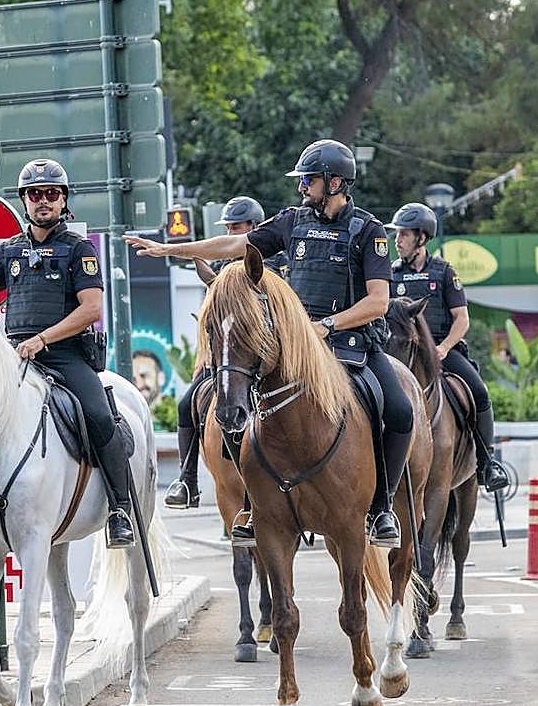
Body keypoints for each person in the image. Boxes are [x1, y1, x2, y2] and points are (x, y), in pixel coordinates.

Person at [128, 140, 409, 548]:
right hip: (293, 347)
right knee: (233, 401)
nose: (302, 187)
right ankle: (251, 503)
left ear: (334, 183)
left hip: (350, 344)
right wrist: (173, 249)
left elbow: (378, 302)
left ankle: (382, 507)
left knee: (399, 410)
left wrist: (327, 325)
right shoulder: (293, 221)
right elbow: (235, 246)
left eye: (309, 180)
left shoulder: (368, 231)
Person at [0, 158, 136, 551]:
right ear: (24, 200)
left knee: (100, 416)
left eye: (51, 193)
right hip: (14, 359)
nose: (43, 201)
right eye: (35, 194)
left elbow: (91, 309)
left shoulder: (79, 250)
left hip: (64, 355)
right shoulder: (9, 251)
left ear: (63, 200)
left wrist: (42, 339)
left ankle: (119, 510)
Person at [387, 202, 509, 492]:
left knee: (479, 391)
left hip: (443, 349)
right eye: (397, 234)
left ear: (422, 238)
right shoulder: (391, 274)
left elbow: (462, 319)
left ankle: (487, 463)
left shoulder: (444, 272)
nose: (397, 240)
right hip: (402, 352)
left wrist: (443, 348)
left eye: (404, 234)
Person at [162, 195, 269, 509]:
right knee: (187, 404)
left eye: (236, 227)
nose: (231, 232)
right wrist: (203, 356)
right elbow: (209, 320)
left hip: (259, 360)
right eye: (229, 227)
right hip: (223, 359)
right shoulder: (220, 270)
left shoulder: (268, 265)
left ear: (254, 227)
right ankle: (187, 479)